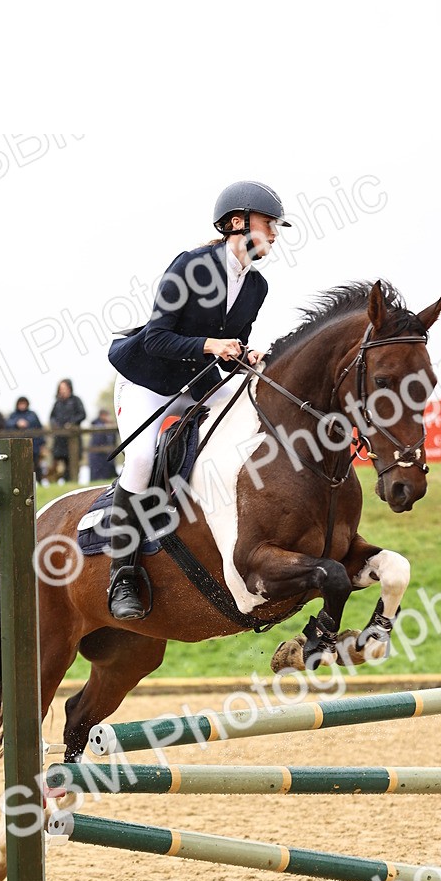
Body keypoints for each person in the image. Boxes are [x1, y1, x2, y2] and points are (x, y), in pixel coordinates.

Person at [106, 179, 290, 620]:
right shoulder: (192, 266)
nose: (275, 233)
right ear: (236, 223)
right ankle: (122, 574)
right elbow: (156, 338)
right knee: (141, 461)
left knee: (252, 417)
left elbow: (233, 346)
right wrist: (212, 345)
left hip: (197, 382)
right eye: (269, 224)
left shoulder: (256, 287)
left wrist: (246, 353)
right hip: (147, 382)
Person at [50, 379, 87, 483]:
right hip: (60, 439)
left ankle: (73, 481)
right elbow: (52, 417)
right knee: (60, 462)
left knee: (73, 462)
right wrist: (56, 425)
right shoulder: (57, 403)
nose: (63, 391)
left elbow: (82, 414)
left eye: (64, 388)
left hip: (73, 438)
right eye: (61, 388)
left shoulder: (76, 401)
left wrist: (71, 423)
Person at [5, 396, 45, 481]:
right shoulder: (13, 416)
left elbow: (39, 430)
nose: (22, 405)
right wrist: (17, 423)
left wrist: (41, 443)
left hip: (33, 446)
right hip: (17, 447)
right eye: (21, 403)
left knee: (36, 465)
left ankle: (38, 481)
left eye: (24, 403)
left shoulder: (32, 415)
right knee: (18, 466)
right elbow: (7, 426)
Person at [88, 408, 118, 481]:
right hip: (98, 455)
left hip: (106, 453)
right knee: (98, 473)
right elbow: (99, 439)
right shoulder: (98, 425)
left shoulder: (109, 424)